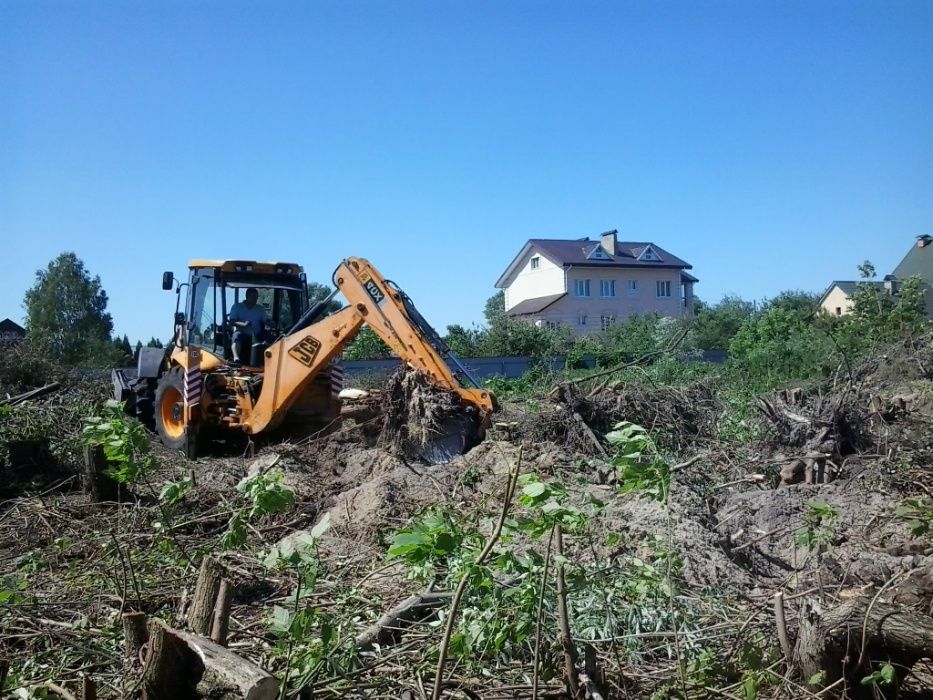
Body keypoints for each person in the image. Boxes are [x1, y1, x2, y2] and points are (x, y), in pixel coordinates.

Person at [229, 288, 269, 363]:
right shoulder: (237, 307)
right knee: (237, 336)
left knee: (270, 338)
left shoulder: (260, 309)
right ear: (247, 296)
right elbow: (232, 321)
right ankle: (236, 358)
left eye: (256, 297)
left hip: (257, 336)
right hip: (242, 334)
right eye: (253, 296)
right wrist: (243, 324)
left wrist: (270, 322)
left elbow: (266, 320)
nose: (255, 299)